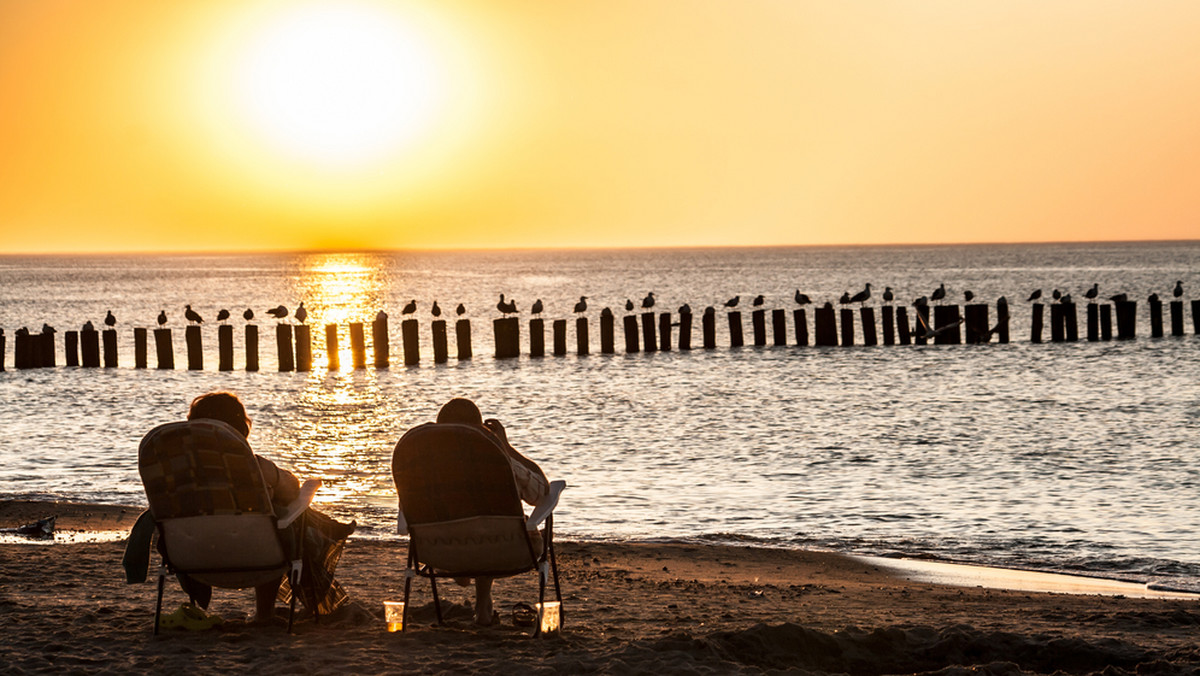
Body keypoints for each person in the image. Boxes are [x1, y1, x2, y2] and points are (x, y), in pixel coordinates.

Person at [185, 391, 354, 624]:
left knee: (274, 511)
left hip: (193, 553)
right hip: (254, 554)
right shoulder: (252, 466)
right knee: (281, 520)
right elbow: (292, 486)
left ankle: (326, 525)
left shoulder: (178, 469)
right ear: (239, 428)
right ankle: (268, 612)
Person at [430, 397, 550, 625]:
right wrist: (506, 447)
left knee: (475, 527)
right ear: (481, 430)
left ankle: (474, 590)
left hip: (440, 551)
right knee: (492, 527)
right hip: (505, 547)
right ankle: (482, 606)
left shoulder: (423, 473)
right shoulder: (501, 462)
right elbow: (542, 493)